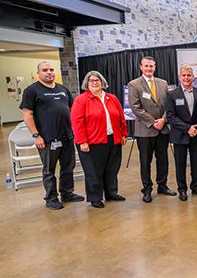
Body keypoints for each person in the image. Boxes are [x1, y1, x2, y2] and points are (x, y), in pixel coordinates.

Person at [19, 61, 84, 210]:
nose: (49, 72)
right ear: (38, 73)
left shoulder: (63, 89)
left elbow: (71, 110)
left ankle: (67, 193)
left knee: (68, 167)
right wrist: (36, 135)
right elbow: (27, 114)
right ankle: (51, 197)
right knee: (49, 169)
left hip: (67, 136)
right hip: (47, 139)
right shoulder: (32, 90)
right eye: (45, 70)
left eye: (51, 69)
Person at [71, 71, 128, 208]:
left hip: (113, 139)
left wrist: (124, 134)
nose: (95, 82)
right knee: (94, 171)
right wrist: (82, 141)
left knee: (112, 168)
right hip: (91, 142)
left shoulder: (111, 98)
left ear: (102, 82)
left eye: (97, 80)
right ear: (87, 83)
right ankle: (95, 197)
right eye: (91, 80)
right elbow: (77, 122)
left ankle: (111, 193)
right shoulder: (81, 100)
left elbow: (121, 117)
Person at [128, 56, 176, 203]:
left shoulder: (163, 83)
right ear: (141, 67)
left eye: (151, 66)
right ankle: (147, 190)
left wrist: (163, 119)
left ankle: (162, 185)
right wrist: (152, 122)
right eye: (146, 66)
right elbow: (135, 107)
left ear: (155, 67)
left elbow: (168, 104)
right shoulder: (134, 84)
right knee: (145, 161)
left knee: (163, 160)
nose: (149, 69)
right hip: (145, 130)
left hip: (162, 129)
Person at [166, 65, 197, 201]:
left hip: (196, 134)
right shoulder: (172, 94)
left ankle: (196, 187)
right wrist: (187, 128)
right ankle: (182, 189)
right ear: (179, 77)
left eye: (189, 75)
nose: (186, 78)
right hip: (180, 135)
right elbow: (171, 116)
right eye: (184, 75)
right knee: (180, 164)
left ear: (193, 77)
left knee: (196, 163)